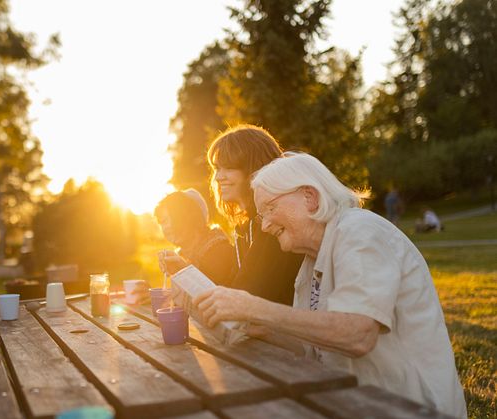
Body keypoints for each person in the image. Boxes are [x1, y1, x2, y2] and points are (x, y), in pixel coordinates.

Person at [193, 152, 467, 418]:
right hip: (358, 403)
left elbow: (357, 335)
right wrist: (263, 329)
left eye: (269, 209)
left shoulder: (360, 233)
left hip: (410, 407)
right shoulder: (312, 260)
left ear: (309, 197)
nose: (264, 226)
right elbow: (316, 347)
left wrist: (256, 308)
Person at [161, 125, 303, 305]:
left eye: (228, 167)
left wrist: (188, 273)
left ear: (254, 168)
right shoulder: (246, 227)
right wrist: (184, 270)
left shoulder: (272, 225)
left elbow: (243, 301)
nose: (219, 177)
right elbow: (231, 289)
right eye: (217, 168)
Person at [154, 189, 235, 285]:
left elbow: (216, 296)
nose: (168, 226)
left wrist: (186, 272)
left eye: (174, 218)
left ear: (192, 217)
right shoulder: (182, 256)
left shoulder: (219, 251)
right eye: (162, 221)